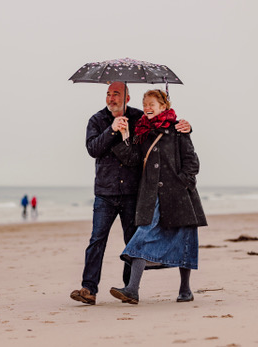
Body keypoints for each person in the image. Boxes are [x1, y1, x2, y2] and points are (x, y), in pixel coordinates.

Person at [70, 82, 191, 305]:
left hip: (133, 192)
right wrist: (112, 129)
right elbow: (92, 149)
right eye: (108, 94)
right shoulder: (96, 120)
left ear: (127, 98)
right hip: (105, 193)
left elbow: (162, 131)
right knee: (97, 240)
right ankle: (88, 289)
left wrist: (184, 125)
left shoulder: (140, 118)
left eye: (116, 94)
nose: (111, 98)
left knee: (133, 242)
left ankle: (128, 289)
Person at [109, 89, 207, 305]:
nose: (147, 108)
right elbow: (134, 160)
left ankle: (185, 290)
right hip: (151, 196)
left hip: (179, 196)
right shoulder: (142, 132)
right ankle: (132, 290)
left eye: (152, 104)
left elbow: (192, 162)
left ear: (164, 106)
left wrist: (183, 183)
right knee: (142, 236)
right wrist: (125, 137)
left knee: (185, 239)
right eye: (145, 104)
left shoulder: (178, 129)